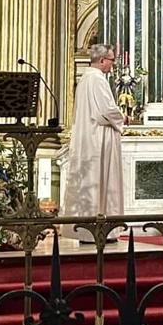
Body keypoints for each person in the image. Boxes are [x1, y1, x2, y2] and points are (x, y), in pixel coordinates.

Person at [61, 45, 126, 242]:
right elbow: (104, 111)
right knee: (100, 180)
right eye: (112, 60)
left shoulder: (84, 79)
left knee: (89, 182)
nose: (112, 64)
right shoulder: (97, 79)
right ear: (102, 60)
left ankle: (86, 230)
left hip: (87, 138)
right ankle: (101, 230)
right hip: (99, 139)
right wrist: (122, 117)